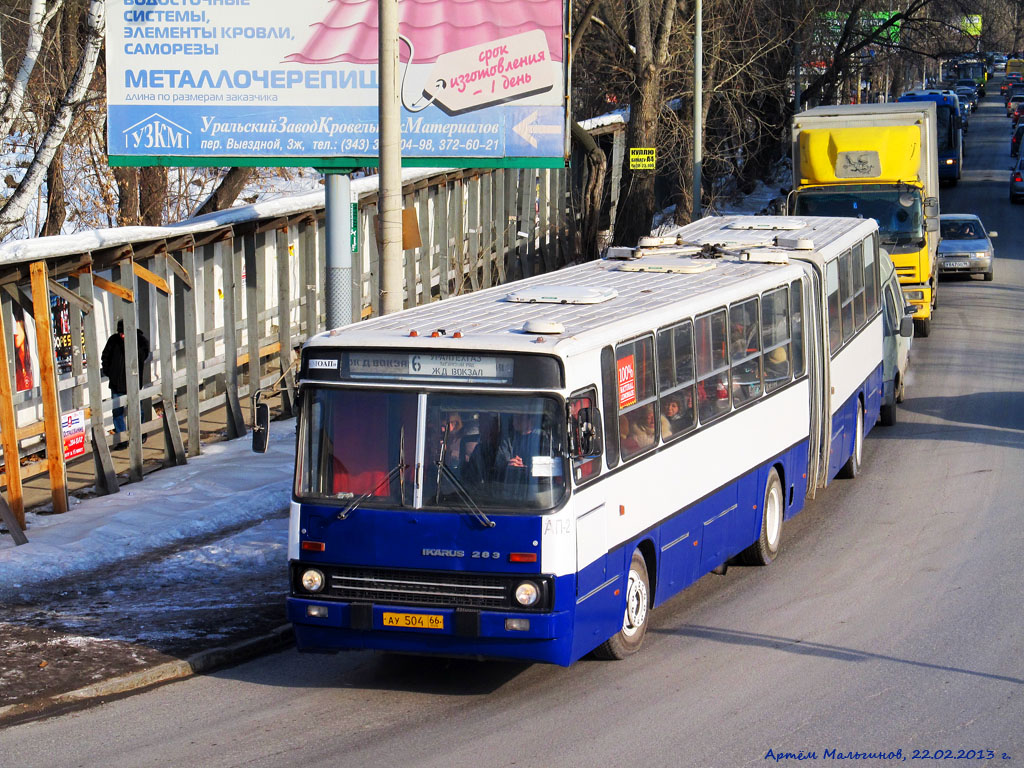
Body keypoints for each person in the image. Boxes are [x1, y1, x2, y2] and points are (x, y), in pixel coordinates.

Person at [101, 319, 150, 449]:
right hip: (117, 383)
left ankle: (140, 433)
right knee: (117, 412)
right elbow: (105, 356)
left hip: (133, 382)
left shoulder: (140, 340)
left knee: (137, 410)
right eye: (120, 333)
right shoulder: (113, 340)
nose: (122, 336)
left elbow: (142, 355)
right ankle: (122, 439)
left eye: (124, 333)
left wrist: (129, 344)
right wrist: (109, 371)